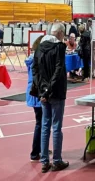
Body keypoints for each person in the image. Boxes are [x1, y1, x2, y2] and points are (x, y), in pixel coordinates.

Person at [32, 23, 69, 173]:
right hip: (56, 92)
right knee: (56, 127)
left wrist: (42, 91)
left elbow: (35, 70)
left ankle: (44, 161)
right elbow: (59, 70)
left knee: (45, 126)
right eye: (63, 34)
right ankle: (57, 161)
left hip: (43, 93)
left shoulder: (39, 47)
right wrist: (49, 90)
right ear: (59, 33)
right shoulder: (59, 47)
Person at [26, 35, 45, 162]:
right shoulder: (37, 60)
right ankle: (35, 152)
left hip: (32, 93)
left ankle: (40, 148)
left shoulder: (32, 59)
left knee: (41, 122)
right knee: (40, 123)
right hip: (37, 94)